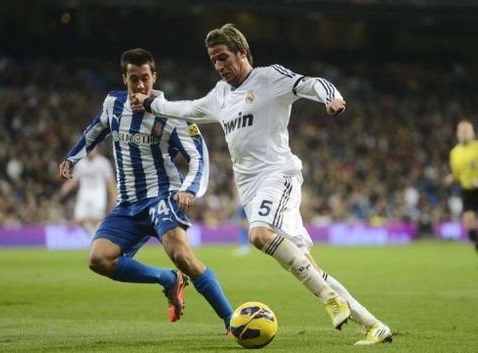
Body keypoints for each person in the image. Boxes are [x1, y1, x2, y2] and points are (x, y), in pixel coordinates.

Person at [130, 23, 392, 345]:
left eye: (224, 57)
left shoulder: (268, 78)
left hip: (279, 174)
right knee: (307, 265)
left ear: (242, 52)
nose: (219, 65)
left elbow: (311, 83)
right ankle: (374, 325)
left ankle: (328, 298)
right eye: (213, 60)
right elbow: (186, 109)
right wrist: (151, 103)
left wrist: (332, 98)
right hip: (250, 189)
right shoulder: (221, 95)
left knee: (259, 234)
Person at [59, 48, 233, 329]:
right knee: (98, 259)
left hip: (161, 197)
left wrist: (190, 188)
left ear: (155, 77)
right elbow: (96, 129)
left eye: (145, 79)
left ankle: (231, 321)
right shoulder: (112, 105)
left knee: (182, 256)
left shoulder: (170, 113)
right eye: (133, 79)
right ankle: (167, 279)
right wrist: (73, 157)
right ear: (124, 79)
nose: (140, 85)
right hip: (128, 204)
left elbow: (198, 155)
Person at [60, 147, 117, 235]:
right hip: (84, 193)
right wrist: (66, 187)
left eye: (93, 149)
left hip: (98, 193)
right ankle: (94, 235)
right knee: (79, 219)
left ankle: (98, 239)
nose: (91, 151)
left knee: (97, 219)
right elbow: (75, 179)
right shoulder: (81, 163)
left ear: (97, 149)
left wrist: (114, 196)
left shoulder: (103, 163)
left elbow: (110, 181)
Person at [449, 120, 478, 251]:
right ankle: (475, 241)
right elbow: (456, 173)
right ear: (457, 133)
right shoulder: (454, 152)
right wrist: (452, 178)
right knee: (468, 217)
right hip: (467, 189)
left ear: (472, 132)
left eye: (467, 130)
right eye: (462, 130)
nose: (464, 133)